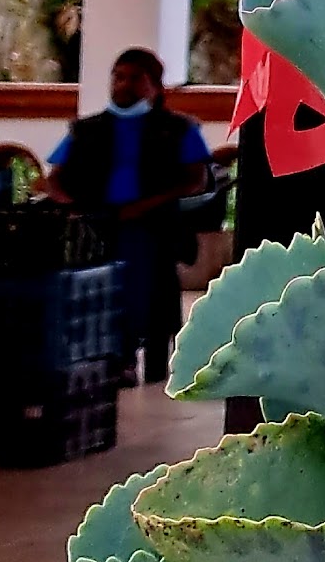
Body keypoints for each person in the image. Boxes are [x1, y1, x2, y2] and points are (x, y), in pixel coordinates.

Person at [43, 46, 215, 387]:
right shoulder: (87, 129)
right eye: (118, 77)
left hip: (153, 221)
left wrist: (149, 203)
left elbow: (196, 179)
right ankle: (110, 356)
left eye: (135, 79)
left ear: (155, 85)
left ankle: (131, 354)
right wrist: (74, 205)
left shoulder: (178, 129)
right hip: (96, 220)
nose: (123, 85)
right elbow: (54, 179)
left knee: (140, 270)